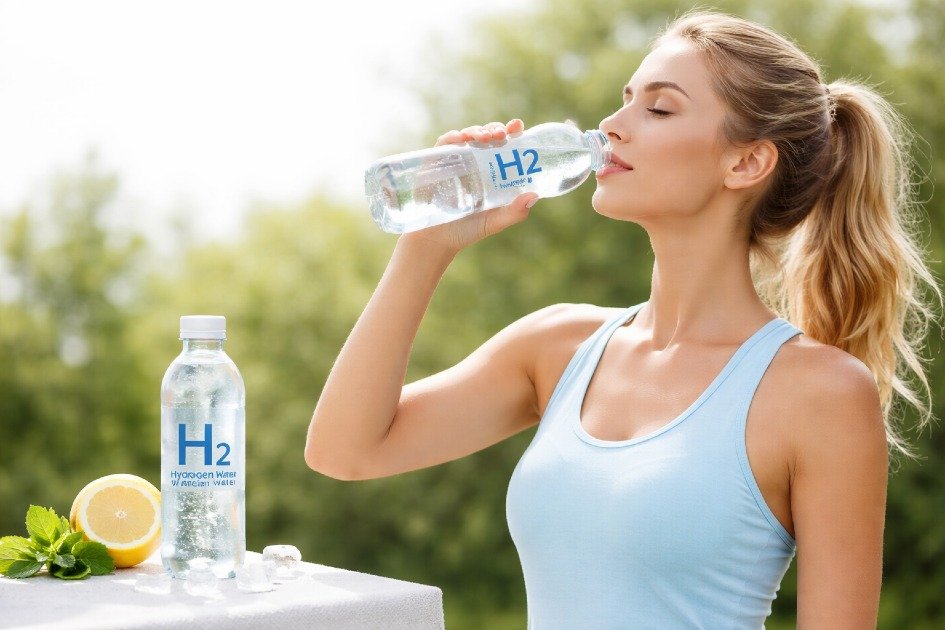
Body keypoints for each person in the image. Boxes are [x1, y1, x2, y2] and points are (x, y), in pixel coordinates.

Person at [305, 10, 940, 629]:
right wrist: (427, 244)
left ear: (745, 162)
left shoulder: (820, 393)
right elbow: (344, 450)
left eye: (658, 108)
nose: (611, 125)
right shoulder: (557, 346)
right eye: (625, 99)